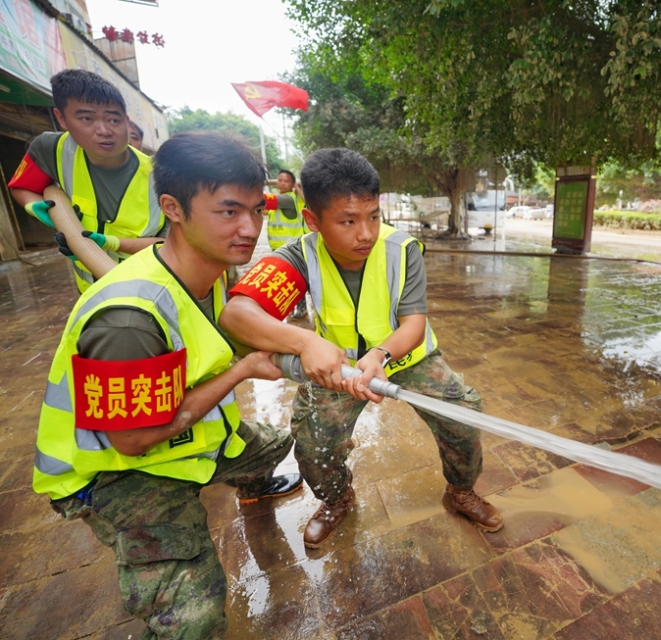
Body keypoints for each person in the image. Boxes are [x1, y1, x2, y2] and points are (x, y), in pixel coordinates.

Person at [32, 131, 303, 639]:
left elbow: (229, 334)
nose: (248, 228)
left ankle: (248, 488)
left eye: (256, 210)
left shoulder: (209, 266)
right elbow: (133, 440)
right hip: (112, 471)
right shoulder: (128, 321)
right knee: (193, 616)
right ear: (173, 208)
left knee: (275, 443)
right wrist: (242, 370)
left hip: (175, 437)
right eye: (228, 211)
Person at [219, 148, 503, 550]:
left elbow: (414, 325)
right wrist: (306, 342)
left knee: (461, 414)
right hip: (337, 369)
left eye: (373, 216)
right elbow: (236, 315)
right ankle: (337, 500)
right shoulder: (299, 256)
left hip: (406, 357)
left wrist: (380, 355)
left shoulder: (402, 250)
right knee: (315, 442)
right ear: (313, 220)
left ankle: (460, 490)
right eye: (348, 221)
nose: (365, 233)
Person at [8, 69, 166, 292]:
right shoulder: (51, 150)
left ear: (126, 121)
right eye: (87, 118)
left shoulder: (160, 175)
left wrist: (108, 243)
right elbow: (22, 187)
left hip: (150, 290)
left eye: (113, 119)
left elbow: (172, 246)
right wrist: (36, 208)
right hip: (90, 292)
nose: (103, 130)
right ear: (61, 118)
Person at [263, 169, 309, 317]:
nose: (282, 183)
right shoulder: (282, 199)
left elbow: (263, 200)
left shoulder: (287, 199)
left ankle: (300, 310)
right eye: (280, 180)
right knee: (286, 279)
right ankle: (292, 309)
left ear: (292, 184)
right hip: (280, 248)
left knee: (293, 279)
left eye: (286, 181)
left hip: (290, 248)